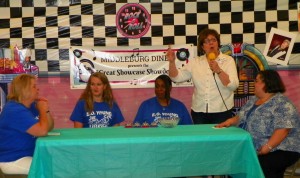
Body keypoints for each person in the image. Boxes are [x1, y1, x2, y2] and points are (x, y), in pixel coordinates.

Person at [216, 70, 300, 178]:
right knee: (233, 160)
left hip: (282, 149)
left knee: (261, 166)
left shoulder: (282, 103)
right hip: (255, 147)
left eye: (256, 81)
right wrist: (230, 121)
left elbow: (283, 129)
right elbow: (241, 116)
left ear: (267, 83)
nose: (253, 83)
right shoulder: (253, 100)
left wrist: (267, 147)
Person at [166, 28, 239, 124]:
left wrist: (219, 70)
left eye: (214, 40)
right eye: (207, 41)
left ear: (218, 43)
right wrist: (171, 62)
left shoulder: (228, 61)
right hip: (199, 112)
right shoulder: (196, 62)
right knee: (202, 138)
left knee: (220, 139)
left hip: (222, 111)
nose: (211, 43)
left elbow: (234, 85)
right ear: (202, 46)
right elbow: (176, 77)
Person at [0, 74, 54, 175]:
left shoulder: (31, 105)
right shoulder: (14, 110)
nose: (37, 89)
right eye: (34, 86)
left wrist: (46, 110)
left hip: (27, 155)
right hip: (12, 159)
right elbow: (42, 131)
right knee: (48, 169)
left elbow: (49, 127)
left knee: (55, 163)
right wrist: (42, 110)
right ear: (24, 90)